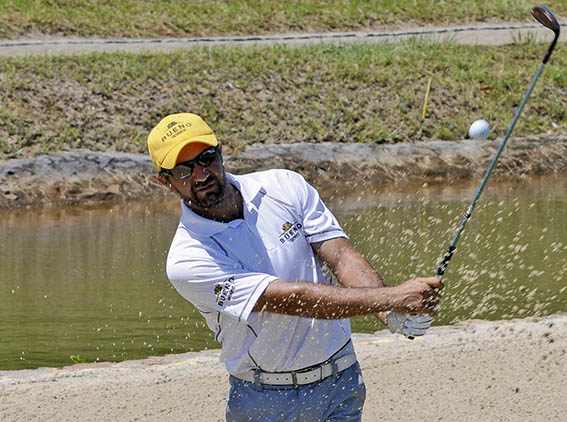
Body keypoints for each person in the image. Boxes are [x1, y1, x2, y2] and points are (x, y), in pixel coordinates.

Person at [147, 112, 443, 422]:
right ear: (165, 182)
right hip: (264, 401)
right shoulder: (188, 258)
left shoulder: (282, 185)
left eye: (206, 158)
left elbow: (341, 256)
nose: (200, 174)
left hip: (339, 381)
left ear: (220, 152)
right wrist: (391, 298)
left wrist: (387, 312)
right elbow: (292, 299)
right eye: (183, 169)